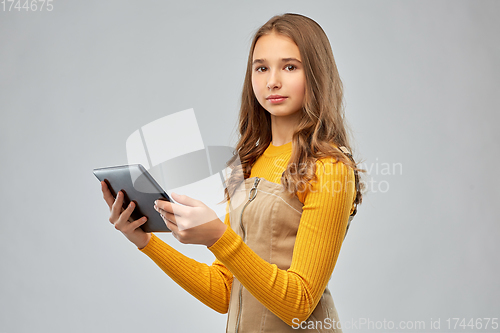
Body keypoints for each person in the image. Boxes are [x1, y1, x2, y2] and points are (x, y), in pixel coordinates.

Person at [100, 13, 364, 333]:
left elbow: (299, 303)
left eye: (290, 66)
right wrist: (144, 240)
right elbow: (226, 292)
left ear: (317, 74)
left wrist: (217, 237)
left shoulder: (330, 168)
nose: (272, 81)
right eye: (261, 67)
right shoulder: (250, 163)